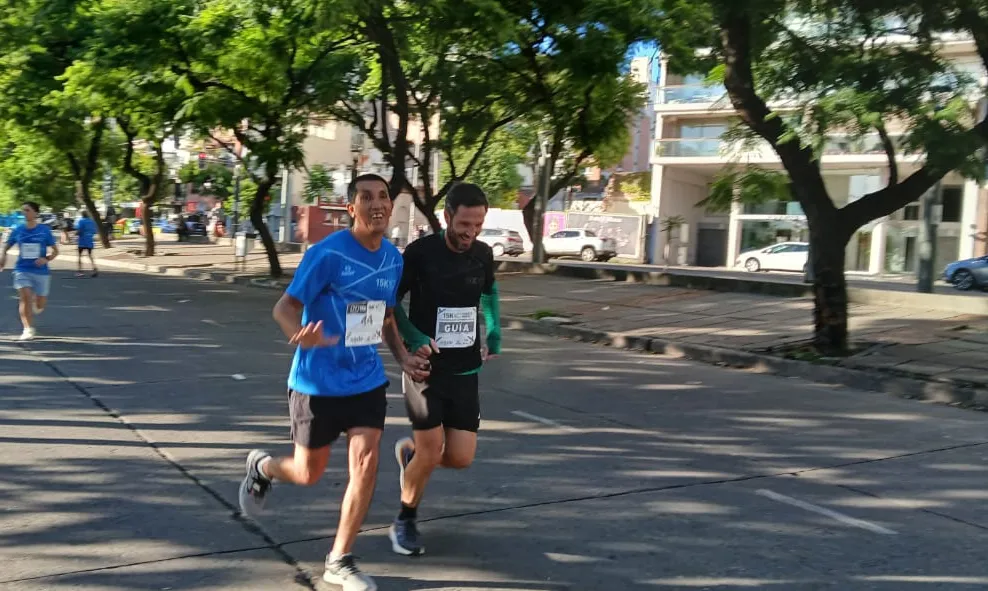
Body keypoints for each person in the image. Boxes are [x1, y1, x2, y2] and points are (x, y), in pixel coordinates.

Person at [238, 173, 431, 591]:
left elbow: (385, 316)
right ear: (352, 208)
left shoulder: (393, 260)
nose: (377, 203)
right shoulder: (326, 254)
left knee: (366, 464)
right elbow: (284, 307)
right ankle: (264, 466)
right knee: (308, 472)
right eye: (366, 197)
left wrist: (402, 358)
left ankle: (340, 558)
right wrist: (298, 333)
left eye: (383, 196)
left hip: (366, 381)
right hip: (317, 383)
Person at [389, 182, 502, 557]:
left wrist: (494, 327)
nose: (470, 233)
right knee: (432, 448)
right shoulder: (420, 253)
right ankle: (405, 519)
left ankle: (412, 457)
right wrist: (412, 334)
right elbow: (392, 303)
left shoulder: (483, 254)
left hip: (465, 370)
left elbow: (488, 293)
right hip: (425, 369)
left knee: (459, 457)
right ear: (447, 217)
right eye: (464, 224)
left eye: (478, 226)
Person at [0, 201, 59, 341]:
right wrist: (3, 257)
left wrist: (46, 259)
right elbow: (6, 247)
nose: (24, 213)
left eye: (27, 210)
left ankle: (36, 303)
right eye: (23, 210)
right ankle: (27, 329)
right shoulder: (18, 230)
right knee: (25, 296)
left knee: (39, 305)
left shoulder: (44, 230)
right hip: (22, 269)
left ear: (36, 213)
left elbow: (56, 251)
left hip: (41, 271)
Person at [74, 210, 98, 278]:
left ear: (82, 215)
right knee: (90, 255)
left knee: (79, 256)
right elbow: (94, 231)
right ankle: (94, 268)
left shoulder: (81, 221)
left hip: (82, 241)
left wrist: (75, 234)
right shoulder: (91, 221)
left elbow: (79, 231)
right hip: (89, 240)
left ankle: (80, 271)